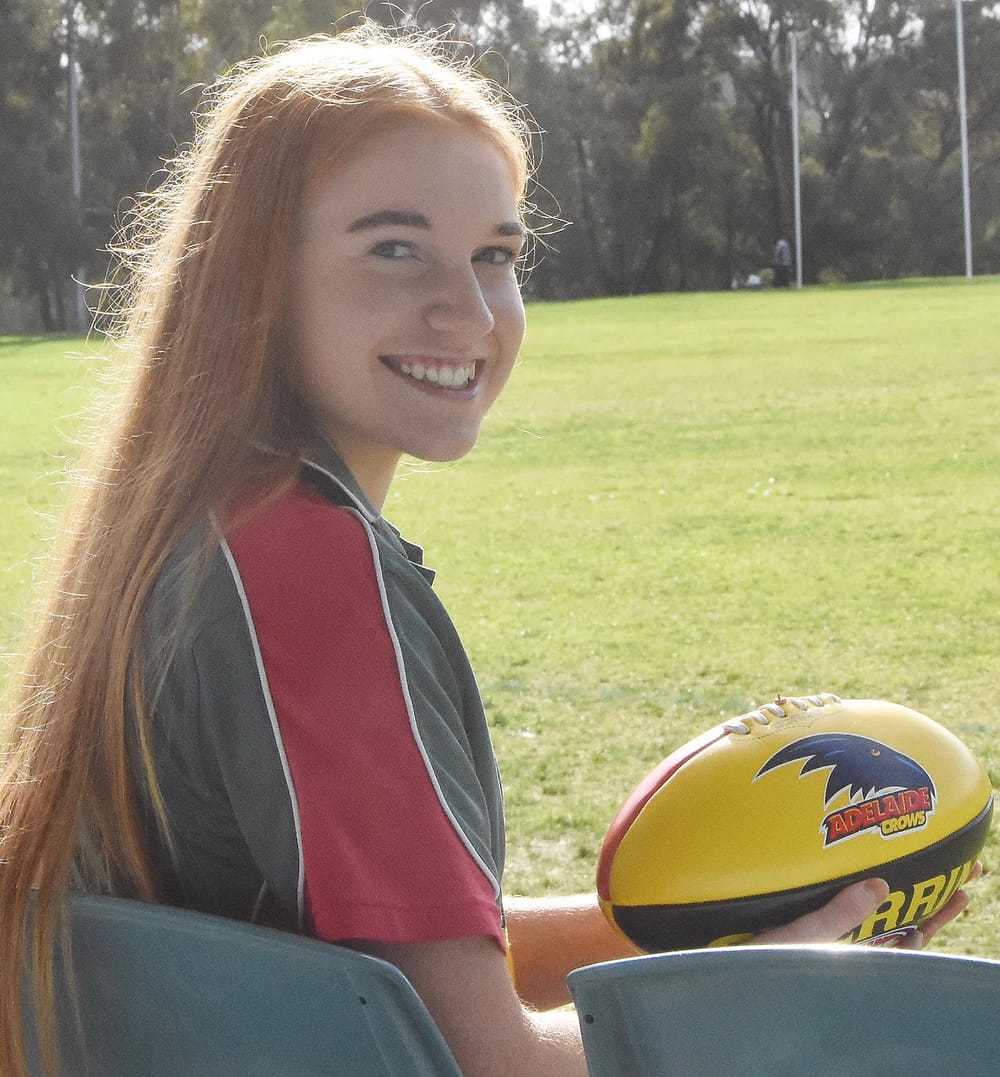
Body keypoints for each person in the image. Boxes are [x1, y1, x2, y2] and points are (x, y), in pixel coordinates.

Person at [0, 24, 974, 1077]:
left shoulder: (196, 527)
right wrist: (767, 988)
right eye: (393, 246)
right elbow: (487, 1064)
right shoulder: (308, 573)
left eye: (495, 257)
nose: (467, 312)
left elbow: (404, 957)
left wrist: (727, 924)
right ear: (252, 276)